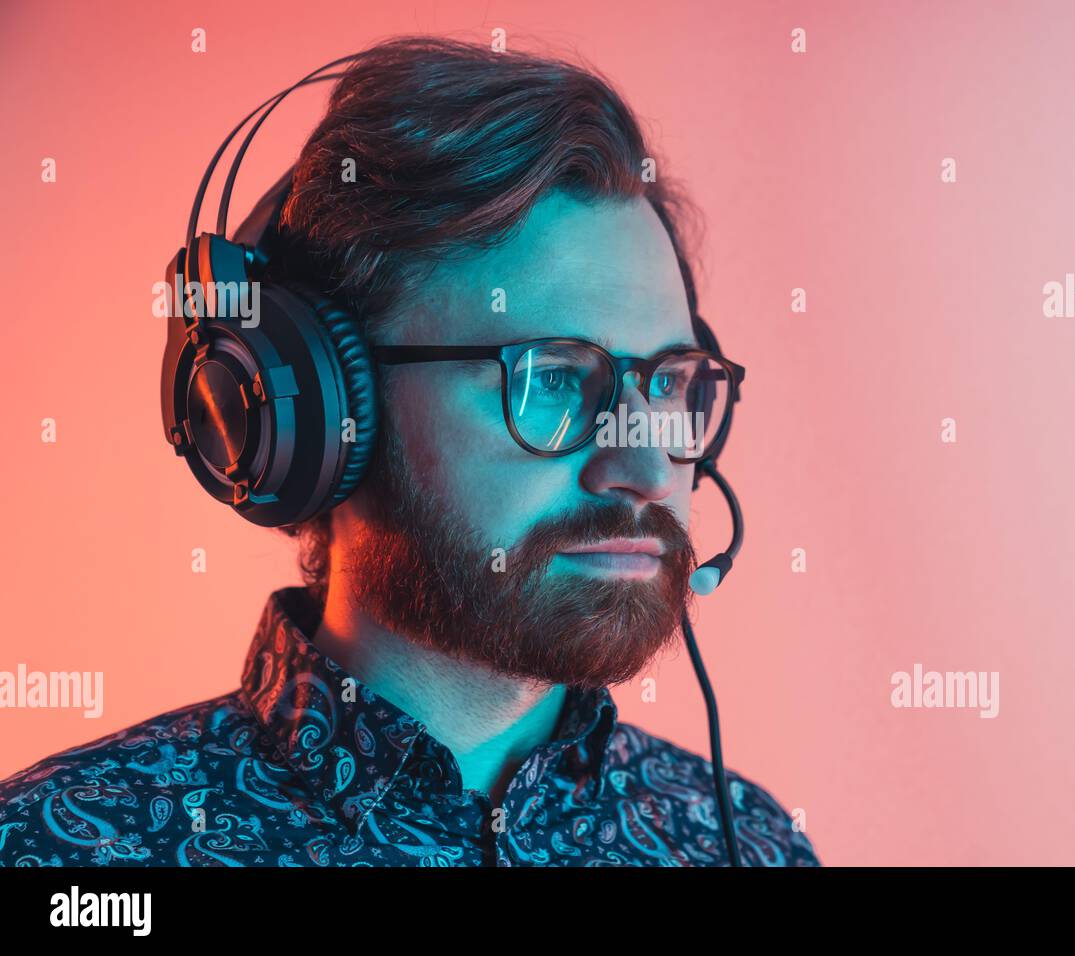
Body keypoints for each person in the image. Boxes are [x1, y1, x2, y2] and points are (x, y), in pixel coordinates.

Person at [0, 36, 819, 867]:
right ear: (322, 411)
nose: (645, 470)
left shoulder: (745, 842)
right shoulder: (66, 852)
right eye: (555, 379)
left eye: (671, 384)